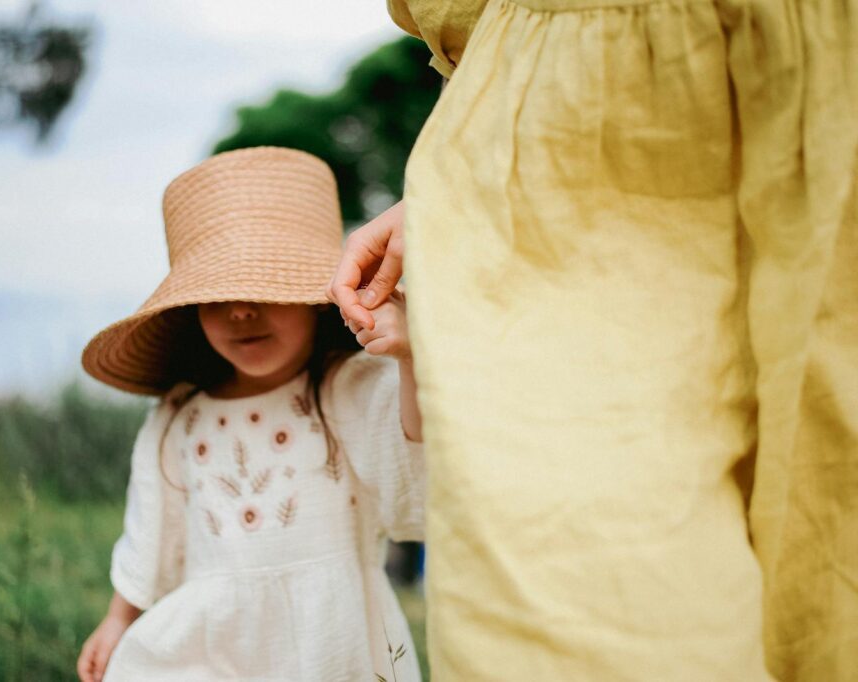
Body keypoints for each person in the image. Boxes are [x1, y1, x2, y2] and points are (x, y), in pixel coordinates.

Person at [328, 0, 857, 680]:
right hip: (570, 151)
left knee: (830, 548)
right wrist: (485, 157)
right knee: (586, 584)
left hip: (816, 98)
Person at [77, 147, 425, 682]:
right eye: (217, 296)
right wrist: (118, 619)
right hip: (211, 645)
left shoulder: (343, 388)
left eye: (265, 288)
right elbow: (152, 531)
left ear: (316, 298)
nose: (241, 311)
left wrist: (410, 358)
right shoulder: (179, 416)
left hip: (332, 641)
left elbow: (411, 478)